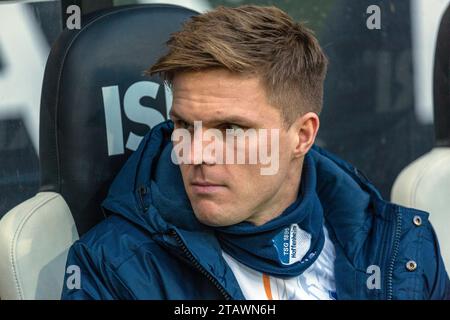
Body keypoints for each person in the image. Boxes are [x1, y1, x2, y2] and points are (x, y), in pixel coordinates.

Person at [61, 5, 449, 300]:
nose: (196, 153)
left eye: (230, 129)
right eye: (182, 125)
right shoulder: (111, 270)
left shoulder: (401, 246)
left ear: (302, 135)